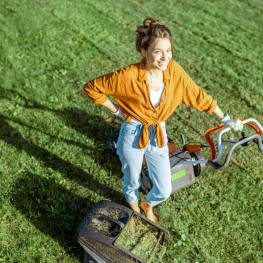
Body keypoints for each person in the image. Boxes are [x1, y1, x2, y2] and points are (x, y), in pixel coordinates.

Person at [83, 18, 242, 223]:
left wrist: (226, 118)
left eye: (168, 50)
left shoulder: (174, 71)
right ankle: (135, 209)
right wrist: (117, 111)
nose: (165, 57)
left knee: (164, 189)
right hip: (132, 133)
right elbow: (92, 87)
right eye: (158, 51)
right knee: (131, 179)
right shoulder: (128, 75)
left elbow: (197, 94)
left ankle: (146, 204)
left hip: (158, 135)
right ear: (144, 52)